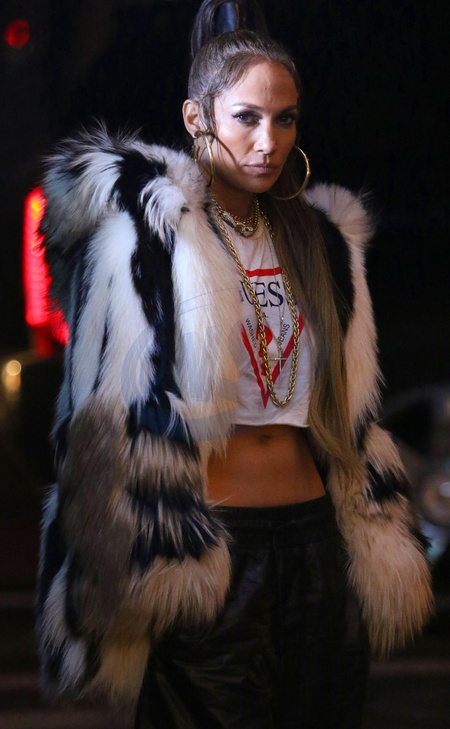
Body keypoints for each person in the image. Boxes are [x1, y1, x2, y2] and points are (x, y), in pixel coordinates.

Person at [36, 1, 433, 726]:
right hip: (210, 556)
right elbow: (96, 420)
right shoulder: (150, 245)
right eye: (247, 117)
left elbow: (353, 417)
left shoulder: (323, 244)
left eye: (285, 119)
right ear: (198, 118)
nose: (268, 141)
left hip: (318, 548)